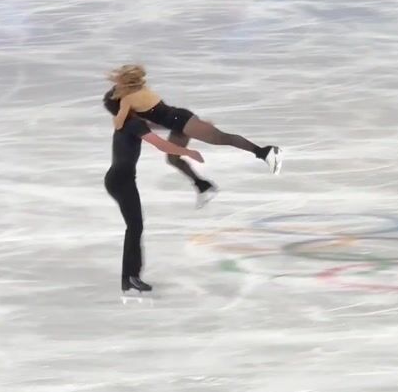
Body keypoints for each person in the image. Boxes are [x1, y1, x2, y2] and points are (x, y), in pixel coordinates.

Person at [102, 89, 208, 293]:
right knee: (135, 227)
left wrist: (192, 127)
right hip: (121, 181)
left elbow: (157, 127)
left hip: (119, 179)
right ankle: (131, 277)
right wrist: (187, 151)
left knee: (135, 227)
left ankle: (129, 277)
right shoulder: (133, 123)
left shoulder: (127, 122)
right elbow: (161, 145)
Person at [109, 65, 282, 173]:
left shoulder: (128, 99)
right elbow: (156, 118)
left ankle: (265, 152)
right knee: (173, 158)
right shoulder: (142, 89)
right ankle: (203, 186)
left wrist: (118, 114)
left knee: (222, 138)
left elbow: (118, 124)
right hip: (178, 120)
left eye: (119, 80)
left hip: (181, 122)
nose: (116, 83)